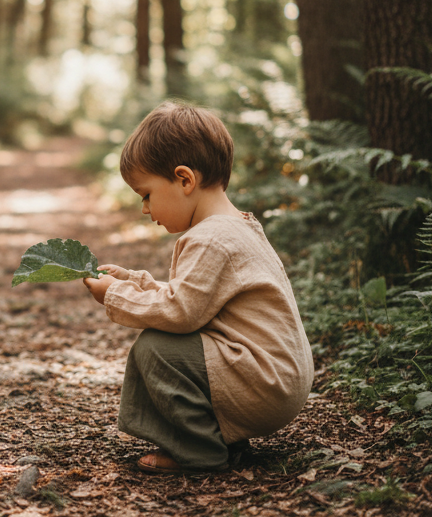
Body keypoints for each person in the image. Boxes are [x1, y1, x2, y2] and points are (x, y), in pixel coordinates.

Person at [82, 101, 314, 474]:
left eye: (146, 194)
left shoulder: (211, 237)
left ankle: (200, 451)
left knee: (156, 348)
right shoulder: (235, 226)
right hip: (277, 377)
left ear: (185, 180)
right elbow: (198, 297)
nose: (144, 208)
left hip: (266, 383)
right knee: (170, 344)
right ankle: (224, 438)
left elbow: (182, 312)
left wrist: (113, 295)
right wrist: (133, 281)